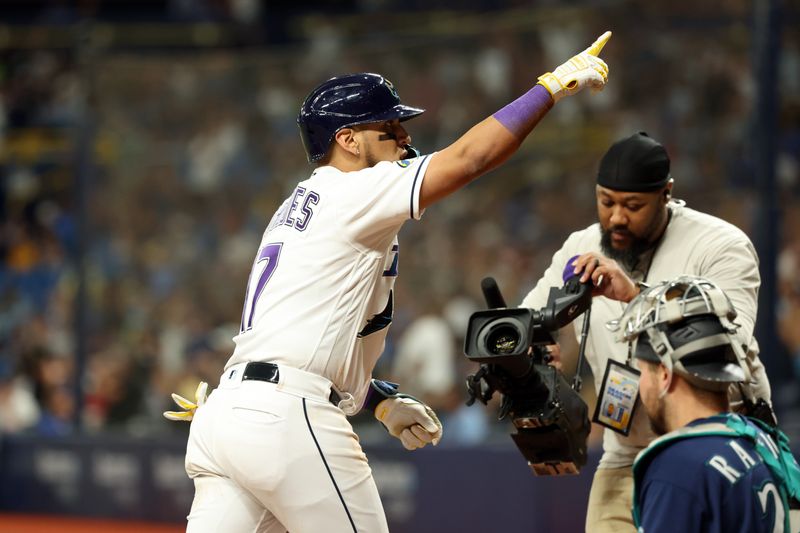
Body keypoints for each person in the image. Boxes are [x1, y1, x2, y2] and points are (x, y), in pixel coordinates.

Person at [165, 32, 612, 532]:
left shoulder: (301, 205)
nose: (404, 137)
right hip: (285, 418)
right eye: (389, 126)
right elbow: (469, 159)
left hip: (227, 414)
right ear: (347, 140)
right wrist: (548, 89)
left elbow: (305, 332)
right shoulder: (353, 189)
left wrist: (377, 401)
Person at [519, 131, 775, 532]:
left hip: (717, 448)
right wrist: (538, 345)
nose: (617, 217)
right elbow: (529, 318)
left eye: (633, 205)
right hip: (626, 454)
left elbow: (732, 345)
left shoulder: (720, 245)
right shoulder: (582, 246)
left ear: (666, 193)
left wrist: (637, 295)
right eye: (606, 202)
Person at [611, 276, 800, 532]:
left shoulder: (678, 466)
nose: (640, 384)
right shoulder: (761, 438)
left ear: (665, 374)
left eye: (643, 370)